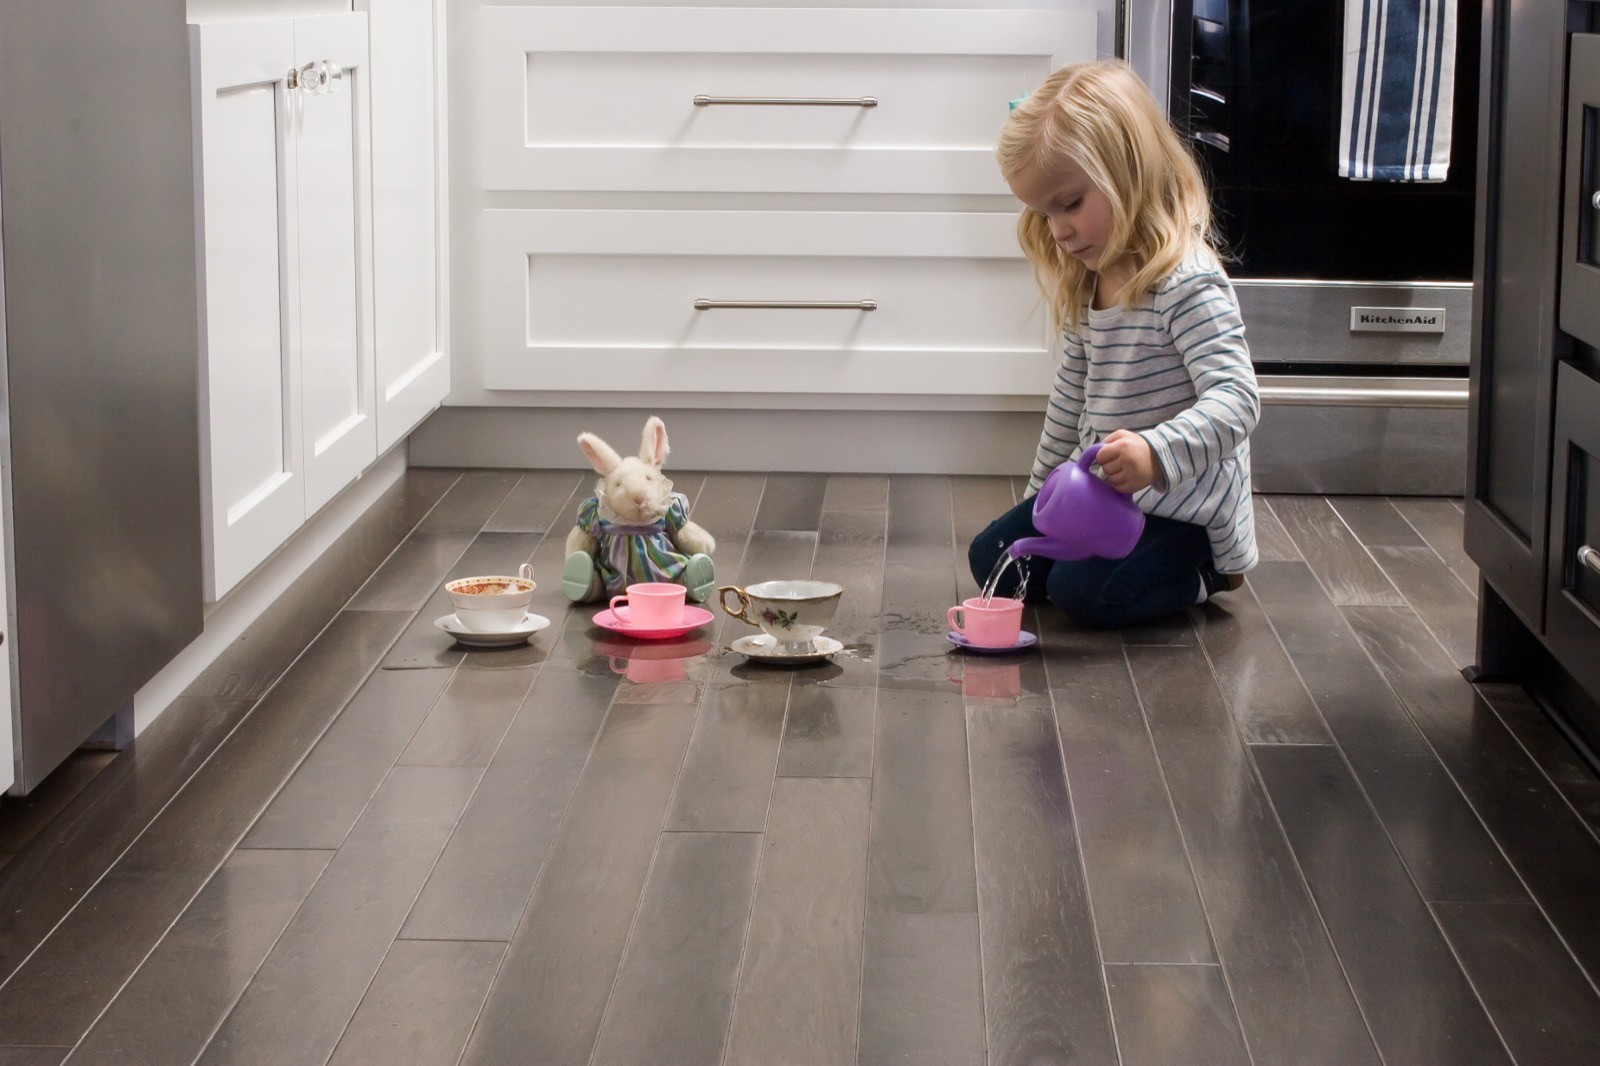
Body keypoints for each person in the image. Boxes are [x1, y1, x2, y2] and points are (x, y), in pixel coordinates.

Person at [968, 60, 1259, 628]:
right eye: (1043, 212)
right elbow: (1068, 402)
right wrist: (1041, 503)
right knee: (991, 559)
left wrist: (1156, 453)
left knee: (1085, 594)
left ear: (1128, 172)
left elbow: (1238, 400)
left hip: (1183, 512)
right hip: (1107, 500)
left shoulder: (1187, 281)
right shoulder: (1088, 282)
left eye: (1070, 204)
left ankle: (1207, 575)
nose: (1058, 230)